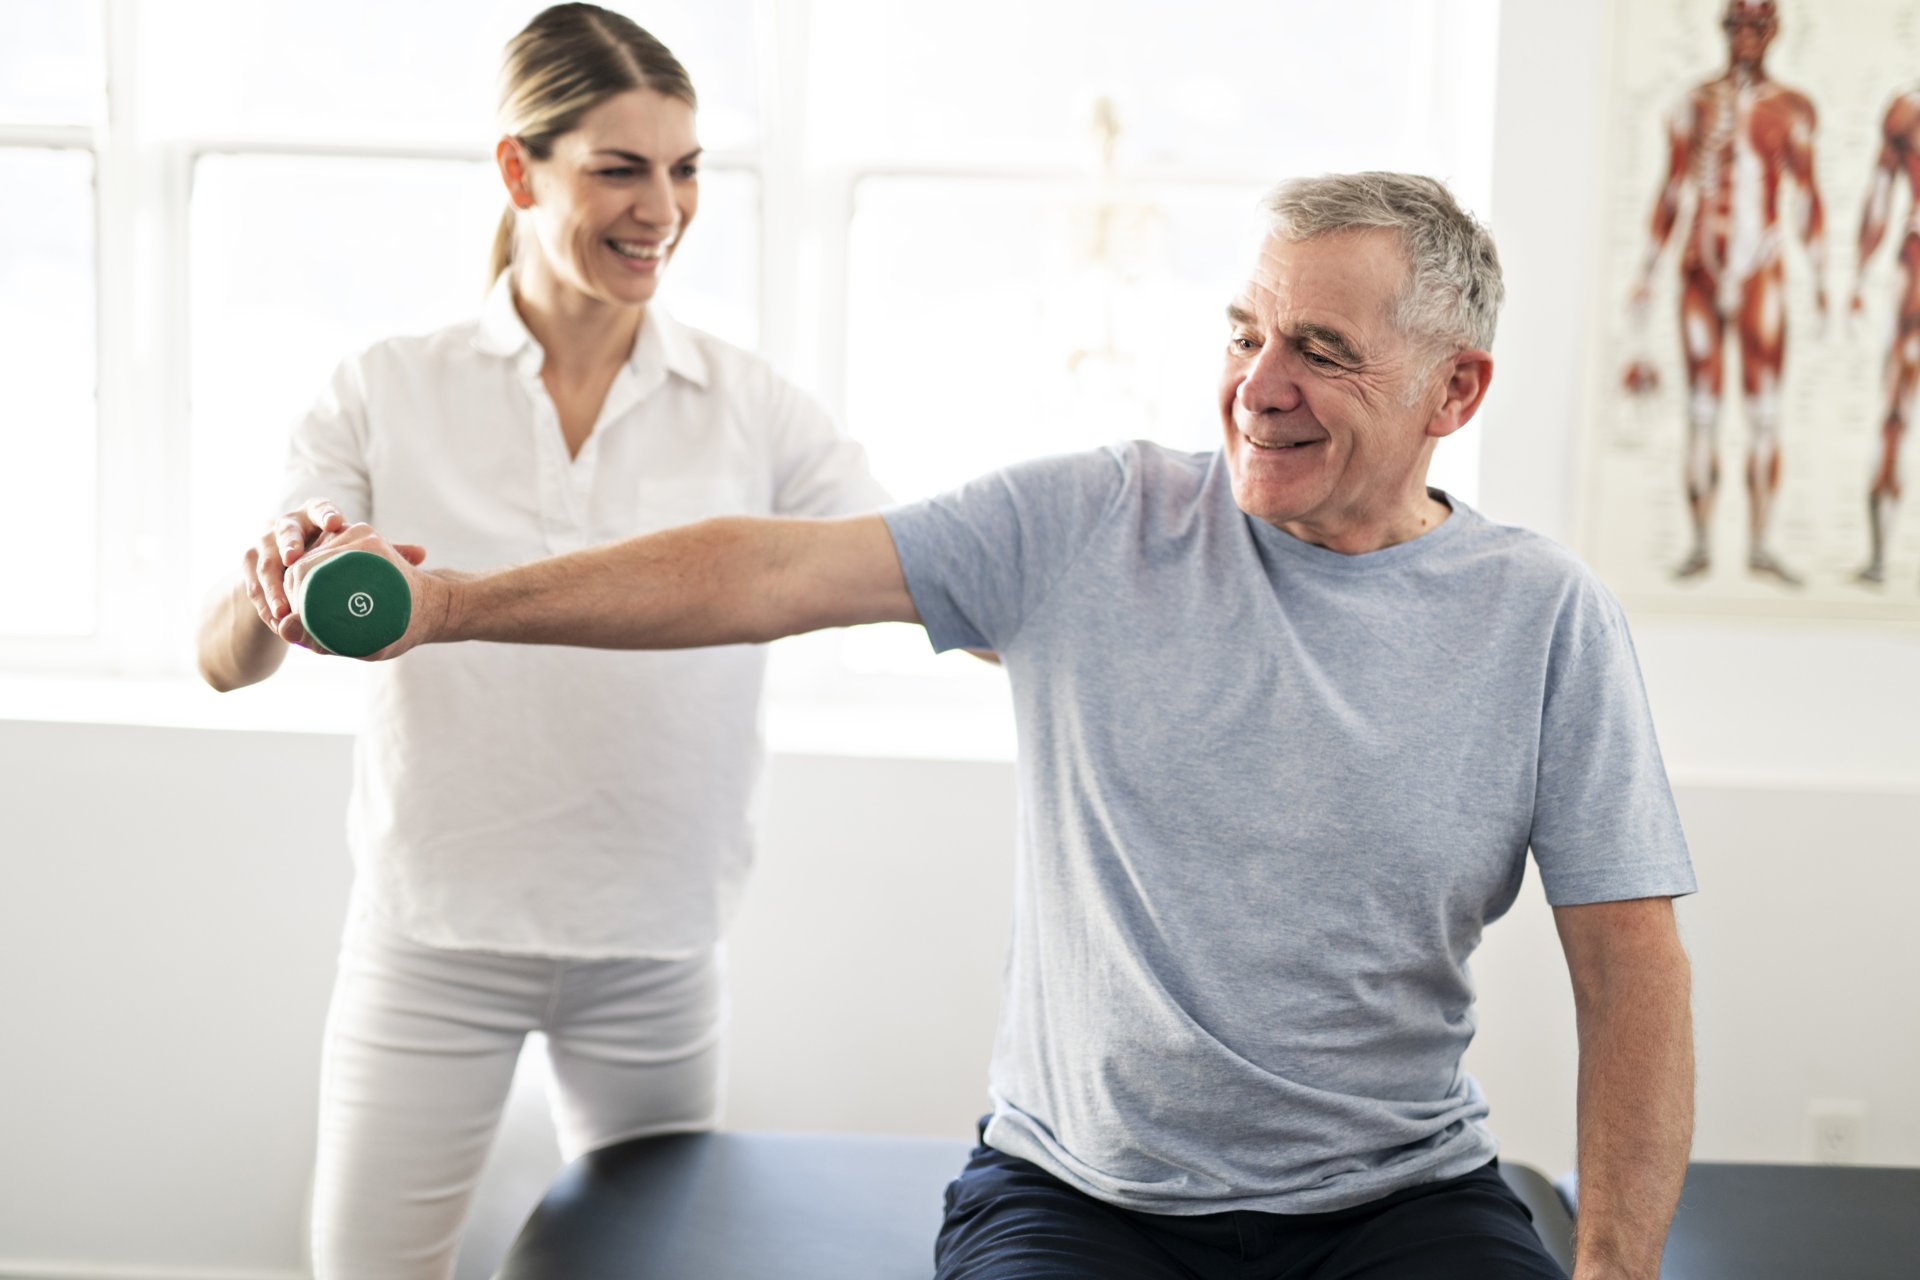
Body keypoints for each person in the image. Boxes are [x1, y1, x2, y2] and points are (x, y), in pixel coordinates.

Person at [273, 172, 1697, 1280]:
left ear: (1457, 390)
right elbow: (769, 567)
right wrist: (450, 604)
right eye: (1248, 333)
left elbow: (1629, 968)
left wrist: (1615, 1265)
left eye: (1323, 352)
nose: (1261, 386)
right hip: (1083, 1198)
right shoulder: (1093, 523)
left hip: (1398, 1198)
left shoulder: (1541, 620)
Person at [193, 6, 885, 1277]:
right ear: (520, 171)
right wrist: (270, 587)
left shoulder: (752, 408)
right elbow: (226, 657)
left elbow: (907, 567)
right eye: (620, 167)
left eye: (685, 170)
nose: (663, 208)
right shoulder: (386, 387)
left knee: (661, 1265)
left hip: (655, 939)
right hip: (433, 936)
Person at [1621, 0, 1827, 585]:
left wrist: (1817, 280)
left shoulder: (1792, 109)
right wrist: (1646, 269)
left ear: (1775, 31)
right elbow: (1670, 191)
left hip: (1761, 269)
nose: (1747, 37)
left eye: (1757, 26)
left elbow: (1809, 196)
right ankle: (1702, 544)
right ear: (1723, 30)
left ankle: (1760, 542)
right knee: (1703, 413)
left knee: (1764, 415)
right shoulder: (1693, 104)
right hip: (1699, 270)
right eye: (1737, 25)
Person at [1849, 83, 1920, 586]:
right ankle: (1879, 556)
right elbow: (1878, 196)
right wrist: (1856, 273)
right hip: (1915, 269)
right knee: (1895, 404)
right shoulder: (1907, 109)